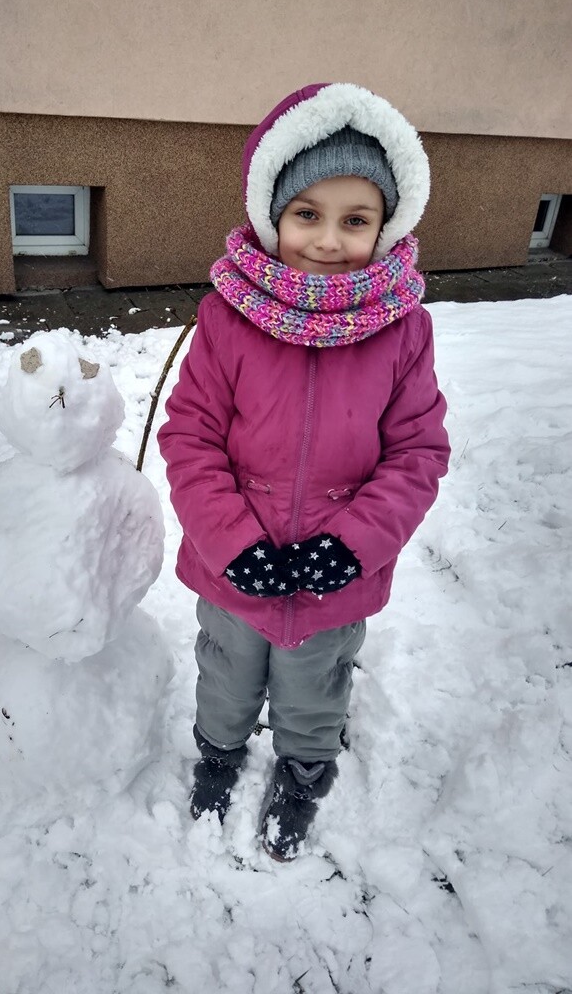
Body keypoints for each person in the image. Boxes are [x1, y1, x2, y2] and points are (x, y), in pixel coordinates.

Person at [157, 82, 450, 862]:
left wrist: (352, 546)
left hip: (334, 577)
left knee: (316, 684)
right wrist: (231, 543)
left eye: (355, 220)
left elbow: (419, 452)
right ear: (272, 216)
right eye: (307, 214)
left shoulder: (403, 330)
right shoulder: (227, 317)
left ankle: (304, 768)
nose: (327, 240)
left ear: (386, 226)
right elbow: (191, 436)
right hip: (235, 568)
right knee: (225, 674)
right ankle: (219, 754)